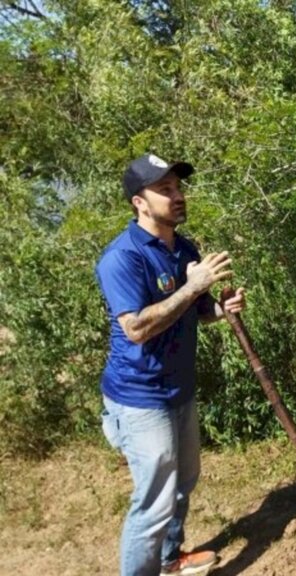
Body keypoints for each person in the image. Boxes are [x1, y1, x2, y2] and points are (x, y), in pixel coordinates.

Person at [96, 153, 246, 576]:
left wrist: (221, 309)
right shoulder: (122, 258)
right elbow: (138, 329)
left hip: (180, 387)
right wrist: (195, 284)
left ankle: (169, 559)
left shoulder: (183, 249)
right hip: (140, 396)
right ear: (139, 203)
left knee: (184, 481)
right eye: (165, 190)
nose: (178, 196)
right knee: (154, 503)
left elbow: (194, 311)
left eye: (178, 188)